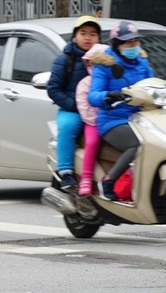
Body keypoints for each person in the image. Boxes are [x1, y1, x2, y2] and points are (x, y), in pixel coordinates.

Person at [89, 21, 154, 201]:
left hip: (141, 118)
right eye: (128, 43)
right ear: (117, 45)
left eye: (136, 42)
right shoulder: (105, 65)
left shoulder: (142, 62)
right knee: (138, 143)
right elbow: (93, 95)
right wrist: (108, 96)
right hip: (113, 119)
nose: (133, 46)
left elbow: (153, 84)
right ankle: (109, 181)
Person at [46, 15, 101, 190]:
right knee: (68, 128)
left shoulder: (106, 59)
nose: (88, 37)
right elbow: (53, 89)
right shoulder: (65, 60)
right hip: (72, 110)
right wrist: (75, 105)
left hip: (101, 111)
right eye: (83, 33)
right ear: (75, 36)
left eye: (93, 34)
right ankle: (66, 173)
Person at [75, 43, 110, 196]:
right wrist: (99, 117)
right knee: (92, 142)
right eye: (92, 63)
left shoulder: (113, 80)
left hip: (113, 119)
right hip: (94, 122)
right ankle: (86, 178)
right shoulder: (84, 84)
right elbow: (84, 108)